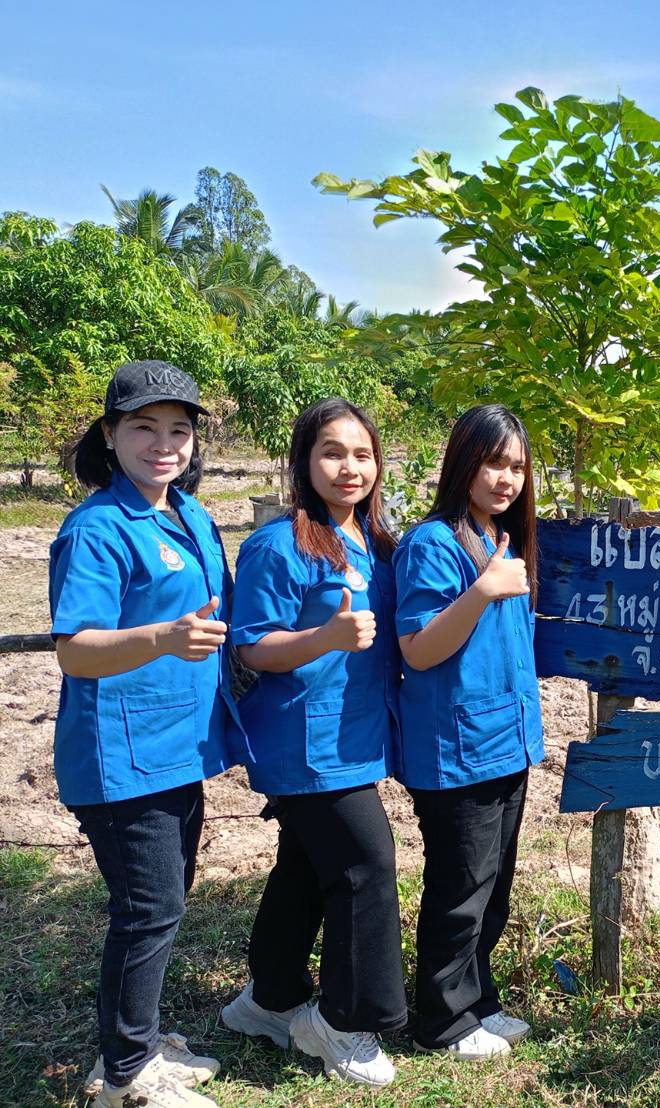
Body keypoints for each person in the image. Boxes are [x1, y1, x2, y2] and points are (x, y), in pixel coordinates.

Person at [50, 361, 246, 1108]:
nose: (165, 444)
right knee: (148, 909)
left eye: (179, 430)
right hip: (121, 756)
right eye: (144, 427)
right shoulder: (98, 529)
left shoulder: (188, 514)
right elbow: (75, 649)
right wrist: (162, 636)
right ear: (109, 434)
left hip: (179, 748)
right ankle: (127, 1075)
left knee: (163, 901)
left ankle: (141, 1040)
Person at [218, 398, 405, 1087]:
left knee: (304, 869)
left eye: (361, 453)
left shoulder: (373, 542)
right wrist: (323, 638)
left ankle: (267, 1001)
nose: (348, 466)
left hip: (354, 737)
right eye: (332, 451)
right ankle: (343, 1021)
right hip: (304, 741)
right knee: (365, 866)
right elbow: (254, 646)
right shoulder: (279, 543)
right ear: (303, 461)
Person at [393, 404, 543, 1060]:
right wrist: (482, 590)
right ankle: (441, 1020)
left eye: (516, 466)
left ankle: (477, 1000)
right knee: (459, 890)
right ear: (463, 462)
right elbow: (419, 649)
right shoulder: (434, 543)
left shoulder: (500, 537)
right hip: (457, 752)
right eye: (493, 463)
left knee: (494, 884)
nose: (505, 479)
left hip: (505, 741)